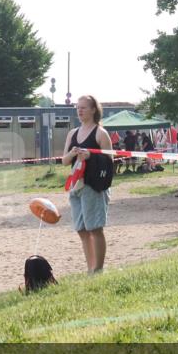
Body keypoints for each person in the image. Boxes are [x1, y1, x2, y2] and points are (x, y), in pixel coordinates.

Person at [62, 95, 114, 274]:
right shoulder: (72, 133)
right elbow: (64, 161)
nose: (80, 110)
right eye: (78, 107)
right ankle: (90, 268)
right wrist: (72, 153)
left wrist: (91, 155)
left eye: (83, 107)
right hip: (76, 186)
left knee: (95, 228)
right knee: (82, 230)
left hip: (93, 186)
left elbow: (109, 161)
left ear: (93, 110)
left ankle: (98, 269)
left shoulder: (101, 133)